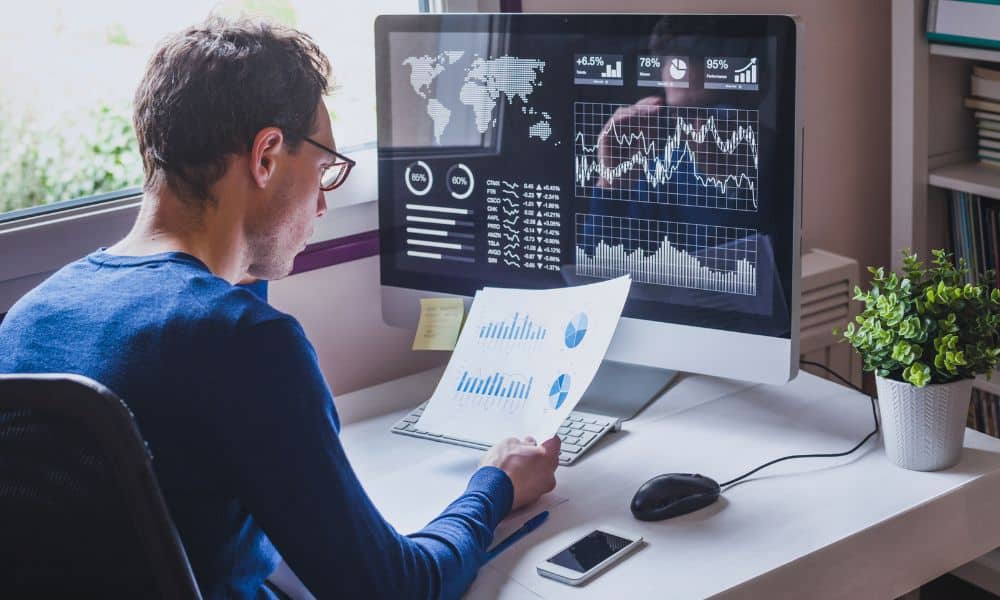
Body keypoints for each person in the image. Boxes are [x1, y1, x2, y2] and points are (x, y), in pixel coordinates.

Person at [0, 17, 559, 600]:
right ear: (265, 156)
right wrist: (493, 485)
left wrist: (243, 257)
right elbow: (394, 589)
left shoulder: (30, 317)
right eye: (323, 169)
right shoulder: (244, 344)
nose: (321, 203)